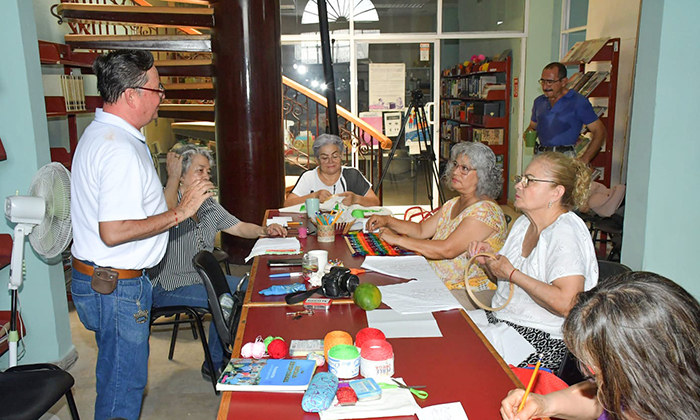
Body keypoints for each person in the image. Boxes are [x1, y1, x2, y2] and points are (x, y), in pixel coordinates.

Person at [70, 50, 213, 420]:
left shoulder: (106, 133)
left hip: (105, 281)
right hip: (117, 288)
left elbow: (142, 213)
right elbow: (114, 231)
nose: (162, 96)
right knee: (123, 386)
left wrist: (172, 190)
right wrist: (182, 211)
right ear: (133, 94)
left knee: (116, 377)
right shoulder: (117, 149)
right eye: (157, 88)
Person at [148, 145, 286, 379]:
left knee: (252, 288)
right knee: (226, 299)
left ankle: (238, 352)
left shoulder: (208, 204)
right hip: (170, 287)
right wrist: (171, 179)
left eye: (208, 172)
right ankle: (214, 363)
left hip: (204, 279)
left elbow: (238, 226)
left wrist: (264, 230)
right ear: (181, 176)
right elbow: (163, 216)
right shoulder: (168, 200)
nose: (206, 177)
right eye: (199, 171)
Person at [500, 271, 700, 420]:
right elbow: (598, 398)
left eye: (599, 374)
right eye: (595, 376)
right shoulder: (636, 388)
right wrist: (545, 403)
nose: (598, 384)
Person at [467, 152, 598, 371]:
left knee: (463, 360)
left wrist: (512, 274)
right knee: (448, 334)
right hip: (503, 324)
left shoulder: (565, 232)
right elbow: (507, 283)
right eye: (521, 178)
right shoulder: (522, 224)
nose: (519, 185)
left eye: (529, 181)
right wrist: (489, 261)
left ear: (556, 192)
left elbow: (568, 304)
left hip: (542, 340)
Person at [366, 142, 508, 310]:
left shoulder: (486, 212)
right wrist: (388, 220)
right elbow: (421, 230)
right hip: (439, 283)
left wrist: (397, 240)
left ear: (483, 176)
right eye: (455, 164)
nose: (455, 171)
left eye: (465, 168)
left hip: (469, 291)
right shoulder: (453, 203)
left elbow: (447, 250)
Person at [526, 62, 606, 164]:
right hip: (541, 157)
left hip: (565, 158)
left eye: (550, 82)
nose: (545, 87)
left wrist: (585, 158)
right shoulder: (539, 101)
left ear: (563, 82)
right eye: (543, 81)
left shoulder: (578, 102)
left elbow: (600, 131)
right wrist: (528, 133)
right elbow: (533, 126)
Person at [284, 134, 380, 207]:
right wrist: (314, 197)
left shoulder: (351, 175)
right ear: (317, 160)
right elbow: (287, 205)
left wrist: (356, 199)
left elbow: (375, 202)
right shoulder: (308, 177)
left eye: (335, 156)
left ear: (341, 156)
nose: (330, 161)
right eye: (324, 158)